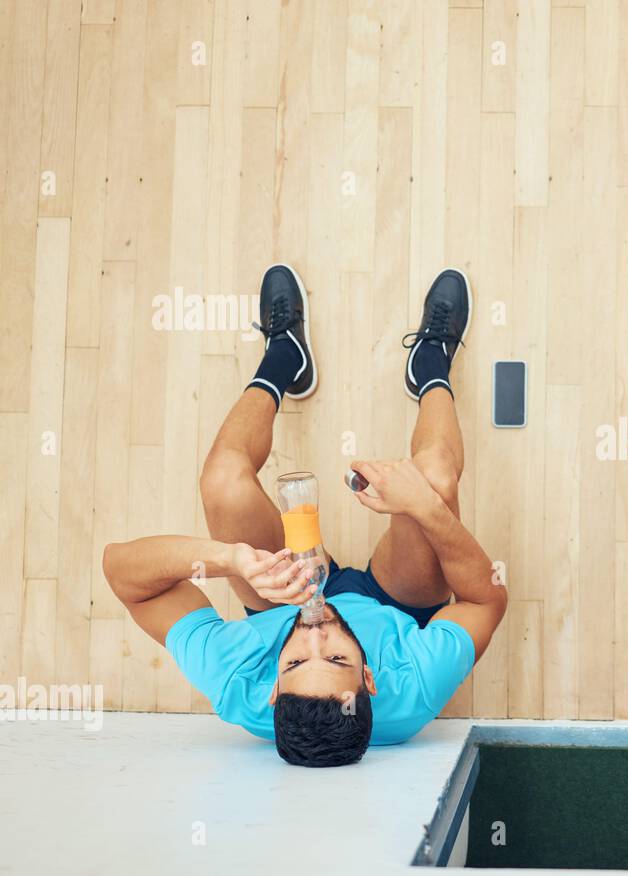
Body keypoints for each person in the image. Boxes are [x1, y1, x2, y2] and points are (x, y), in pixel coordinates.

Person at [101, 265, 506, 766]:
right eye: (336, 657)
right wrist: (421, 504)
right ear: (370, 681)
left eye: (295, 661)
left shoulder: (236, 681)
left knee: (222, 483)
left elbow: (120, 571)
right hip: (397, 607)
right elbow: (486, 599)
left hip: (280, 596)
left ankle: (284, 356)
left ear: (272, 688)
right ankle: (432, 364)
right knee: (437, 478)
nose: (316, 631)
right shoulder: (412, 691)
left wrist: (230, 560)